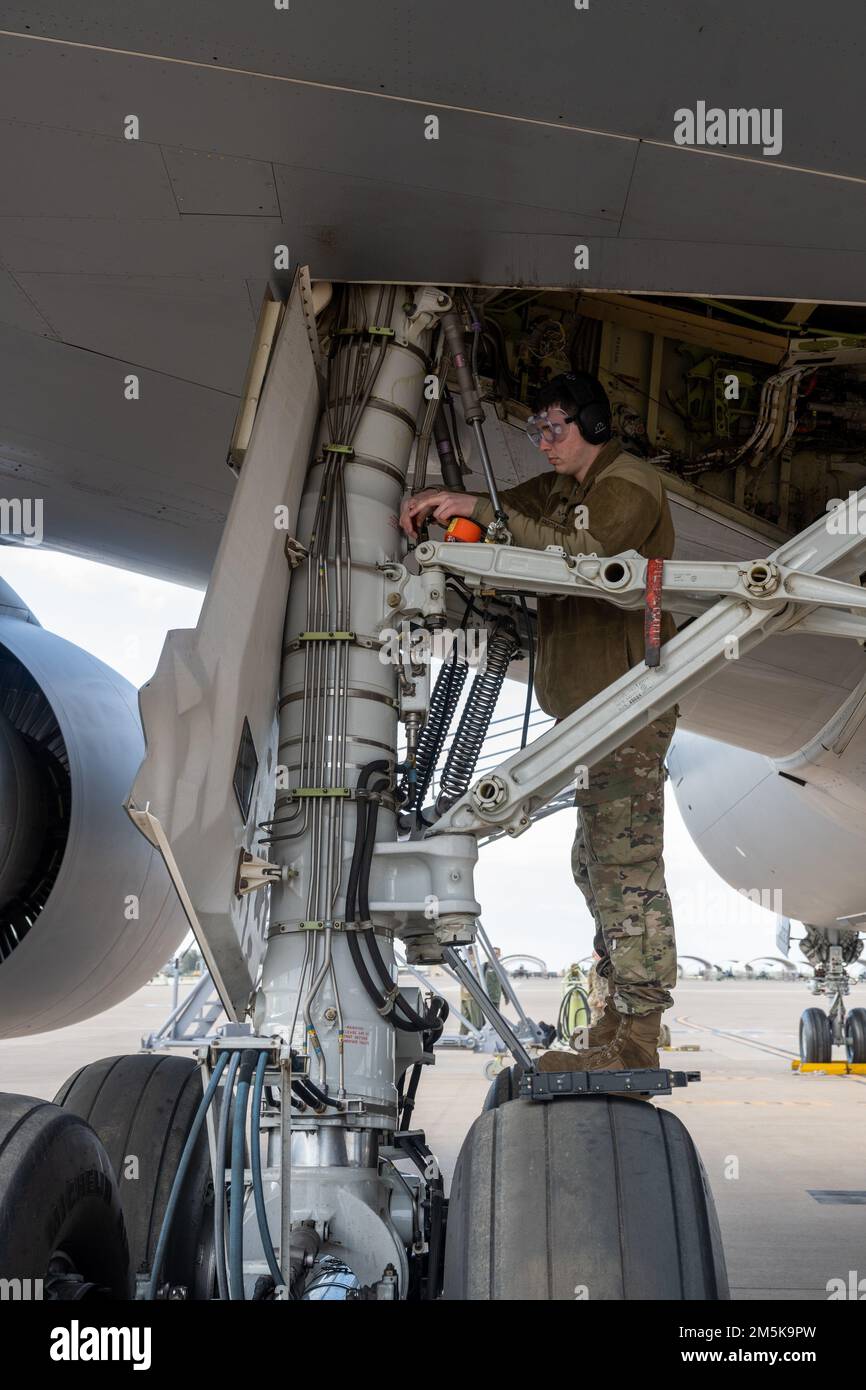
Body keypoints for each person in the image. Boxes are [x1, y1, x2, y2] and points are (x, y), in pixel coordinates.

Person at [400, 372, 678, 1072]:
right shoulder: (561, 491)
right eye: (537, 431)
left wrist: (479, 512)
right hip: (589, 711)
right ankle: (618, 1020)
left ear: (591, 423)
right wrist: (448, 504)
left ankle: (639, 1038)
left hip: (626, 704)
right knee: (595, 863)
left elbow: (586, 556)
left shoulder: (630, 484)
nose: (545, 442)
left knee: (625, 865)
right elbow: (503, 509)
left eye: (555, 427)